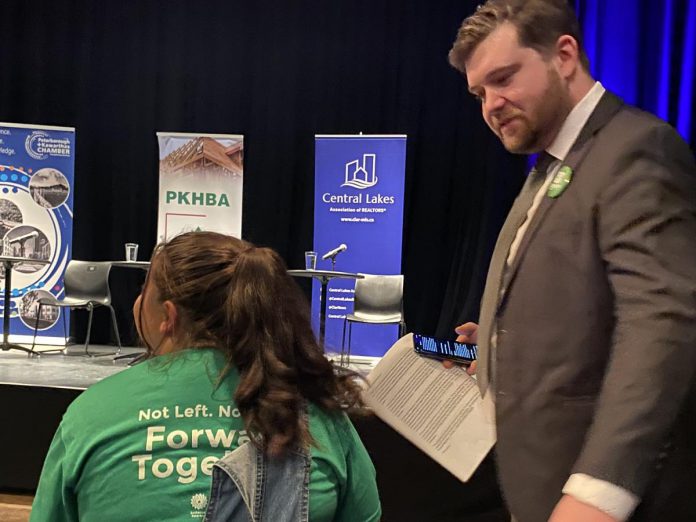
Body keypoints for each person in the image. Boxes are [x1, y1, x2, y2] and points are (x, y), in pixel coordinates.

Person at [447, 1, 696, 521]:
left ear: (564, 55)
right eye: (479, 93)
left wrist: (599, 493)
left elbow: (662, 323)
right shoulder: (550, 165)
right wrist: (496, 344)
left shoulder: (635, 149)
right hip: (536, 490)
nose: (492, 105)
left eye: (504, 78)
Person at [30, 231, 381, 522]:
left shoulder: (91, 413)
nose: (136, 303)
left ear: (167, 316)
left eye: (143, 291)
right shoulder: (321, 417)